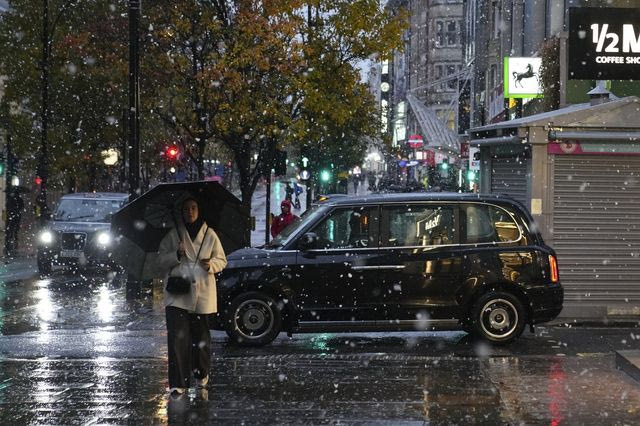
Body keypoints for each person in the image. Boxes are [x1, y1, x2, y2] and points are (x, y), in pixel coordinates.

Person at [157, 197, 227, 398]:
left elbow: (222, 260)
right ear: (181, 211)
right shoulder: (173, 235)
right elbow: (160, 260)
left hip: (202, 293)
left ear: (199, 210)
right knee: (177, 340)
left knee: (201, 340)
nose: (190, 212)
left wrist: (210, 265)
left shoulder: (210, 235)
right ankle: (178, 383)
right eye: (186, 208)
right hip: (177, 294)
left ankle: (201, 374)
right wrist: (176, 255)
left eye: (194, 208)